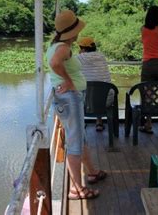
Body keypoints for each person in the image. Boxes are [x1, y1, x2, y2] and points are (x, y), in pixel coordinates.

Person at [46, 10, 106, 200]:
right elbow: (56, 64)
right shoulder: (63, 47)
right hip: (69, 98)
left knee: (80, 138)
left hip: (68, 98)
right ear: (72, 32)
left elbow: (56, 64)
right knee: (75, 143)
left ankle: (92, 172)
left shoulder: (55, 45)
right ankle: (76, 189)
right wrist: (69, 81)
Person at [77, 36, 113, 132]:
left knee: (79, 94)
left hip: (86, 103)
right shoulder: (101, 56)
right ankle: (99, 122)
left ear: (83, 49)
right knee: (99, 92)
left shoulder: (79, 58)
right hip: (106, 101)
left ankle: (80, 124)